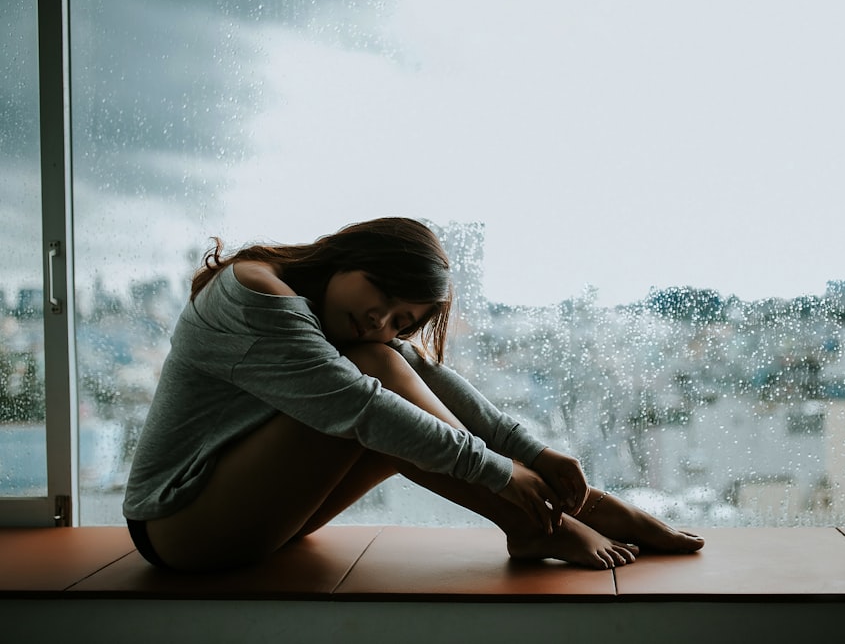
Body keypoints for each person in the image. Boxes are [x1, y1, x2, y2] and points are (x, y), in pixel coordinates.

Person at [123, 217, 704, 572]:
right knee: (377, 403)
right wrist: (501, 473)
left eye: (401, 319)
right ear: (355, 256)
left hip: (245, 519)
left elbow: (421, 377)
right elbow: (367, 407)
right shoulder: (258, 292)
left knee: (384, 376)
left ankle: (566, 512)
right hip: (178, 524)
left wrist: (534, 454)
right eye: (380, 293)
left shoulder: (351, 331)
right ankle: (543, 525)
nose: (379, 319)